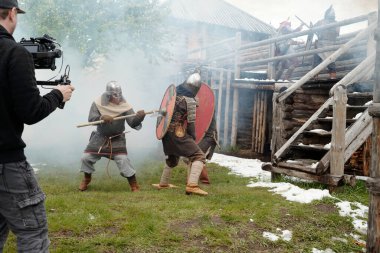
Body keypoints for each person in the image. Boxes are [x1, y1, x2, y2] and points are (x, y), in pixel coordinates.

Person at [0, 1, 75, 252]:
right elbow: (31, 111)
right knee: (33, 231)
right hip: (6, 163)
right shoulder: (14, 53)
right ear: (12, 13)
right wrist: (58, 94)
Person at [79, 81, 145, 192]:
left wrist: (139, 118)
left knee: (123, 159)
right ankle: (86, 179)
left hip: (117, 138)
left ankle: (134, 185)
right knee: (86, 158)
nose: (118, 98)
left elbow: (133, 123)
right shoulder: (98, 103)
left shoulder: (125, 105)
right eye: (115, 95)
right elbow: (91, 119)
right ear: (109, 94)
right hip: (100, 137)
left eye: (119, 94)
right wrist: (102, 117)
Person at [153, 72, 208, 196]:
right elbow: (191, 124)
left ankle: (163, 183)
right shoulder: (190, 101)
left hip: (166, 133)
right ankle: (192, 185)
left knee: (173, 158)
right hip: (178, 133)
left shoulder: (174, 96)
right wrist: (192, 138)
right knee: (199, 156)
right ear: (196, 88)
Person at [313, 5, 340, 79]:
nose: (333, 14)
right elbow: (313, 29)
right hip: (320, 44)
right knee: (317, 64)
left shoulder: (336, 23)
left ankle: (332, 79)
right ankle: (315, 79)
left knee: (331, 62)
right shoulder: (321, 22)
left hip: (330, 45)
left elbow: (336, 34)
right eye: (332, 13)